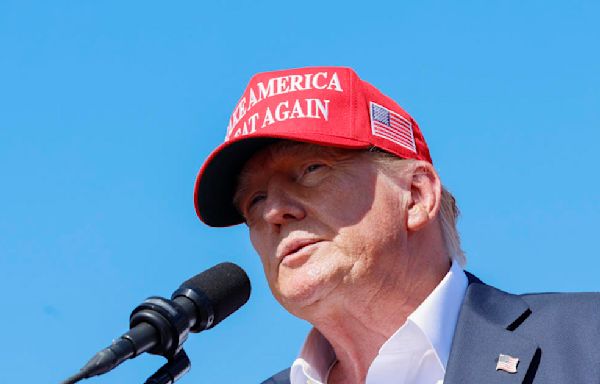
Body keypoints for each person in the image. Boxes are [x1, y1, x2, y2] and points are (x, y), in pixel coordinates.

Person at [193, 67, 600, 384]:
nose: (272, 212)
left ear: (417, 195)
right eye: (254, 200)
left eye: (312, 169)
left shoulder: (587, 340)